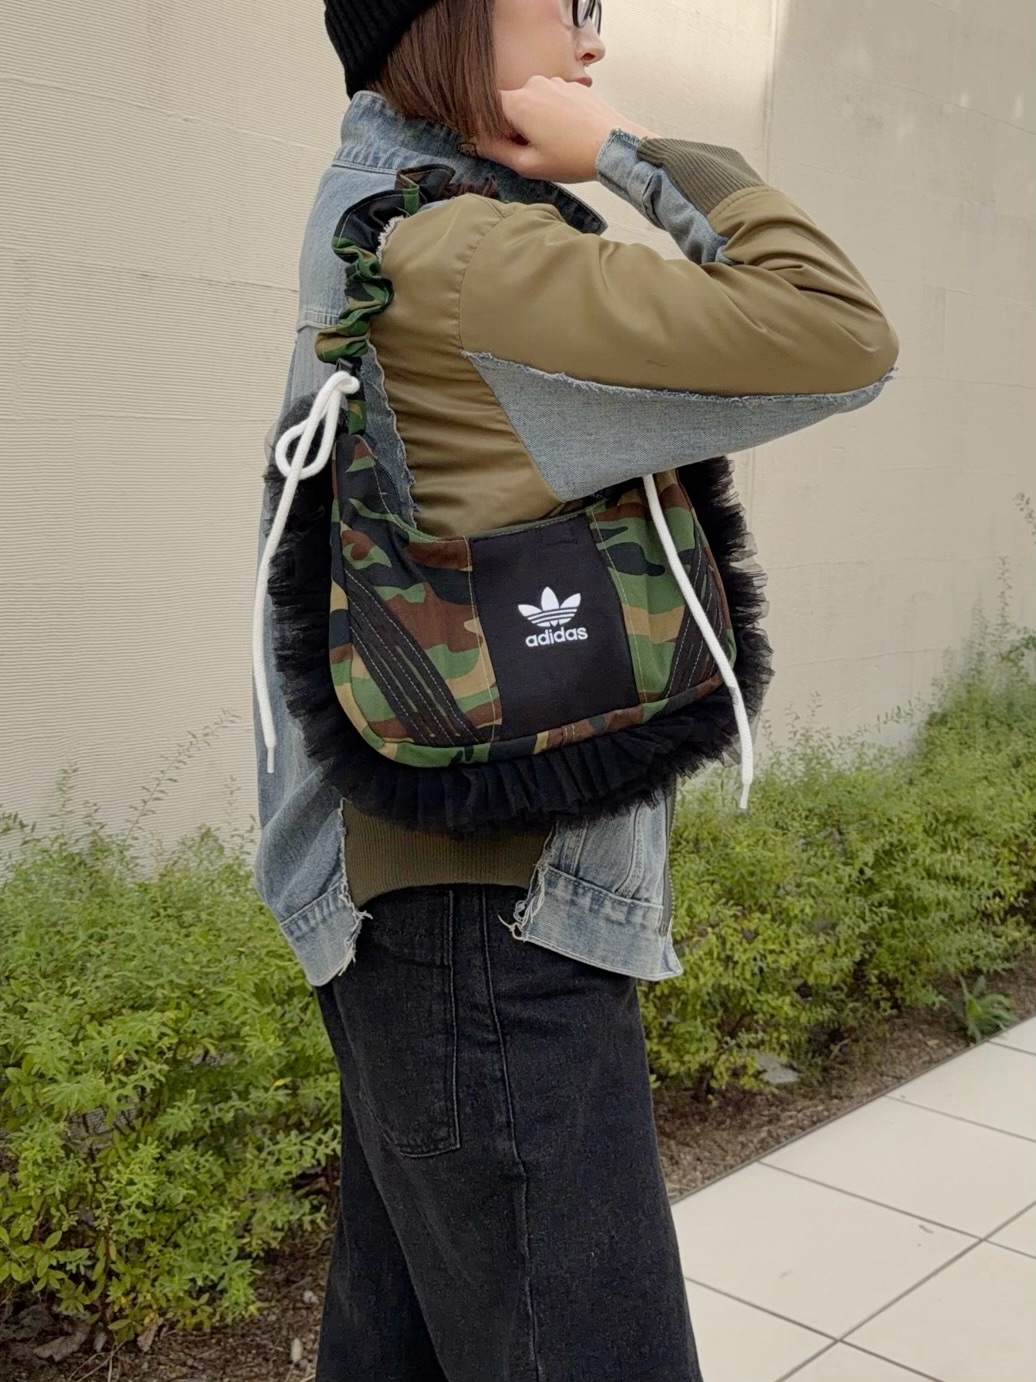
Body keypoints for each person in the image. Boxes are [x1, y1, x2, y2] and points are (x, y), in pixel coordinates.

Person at [251, 1, 899, 1377]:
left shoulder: (375, 217)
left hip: (409, 913)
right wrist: (628, 150)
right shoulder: (468, 255)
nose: (593, 40)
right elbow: (837, 327)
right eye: (571, 1)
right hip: (492, 936)